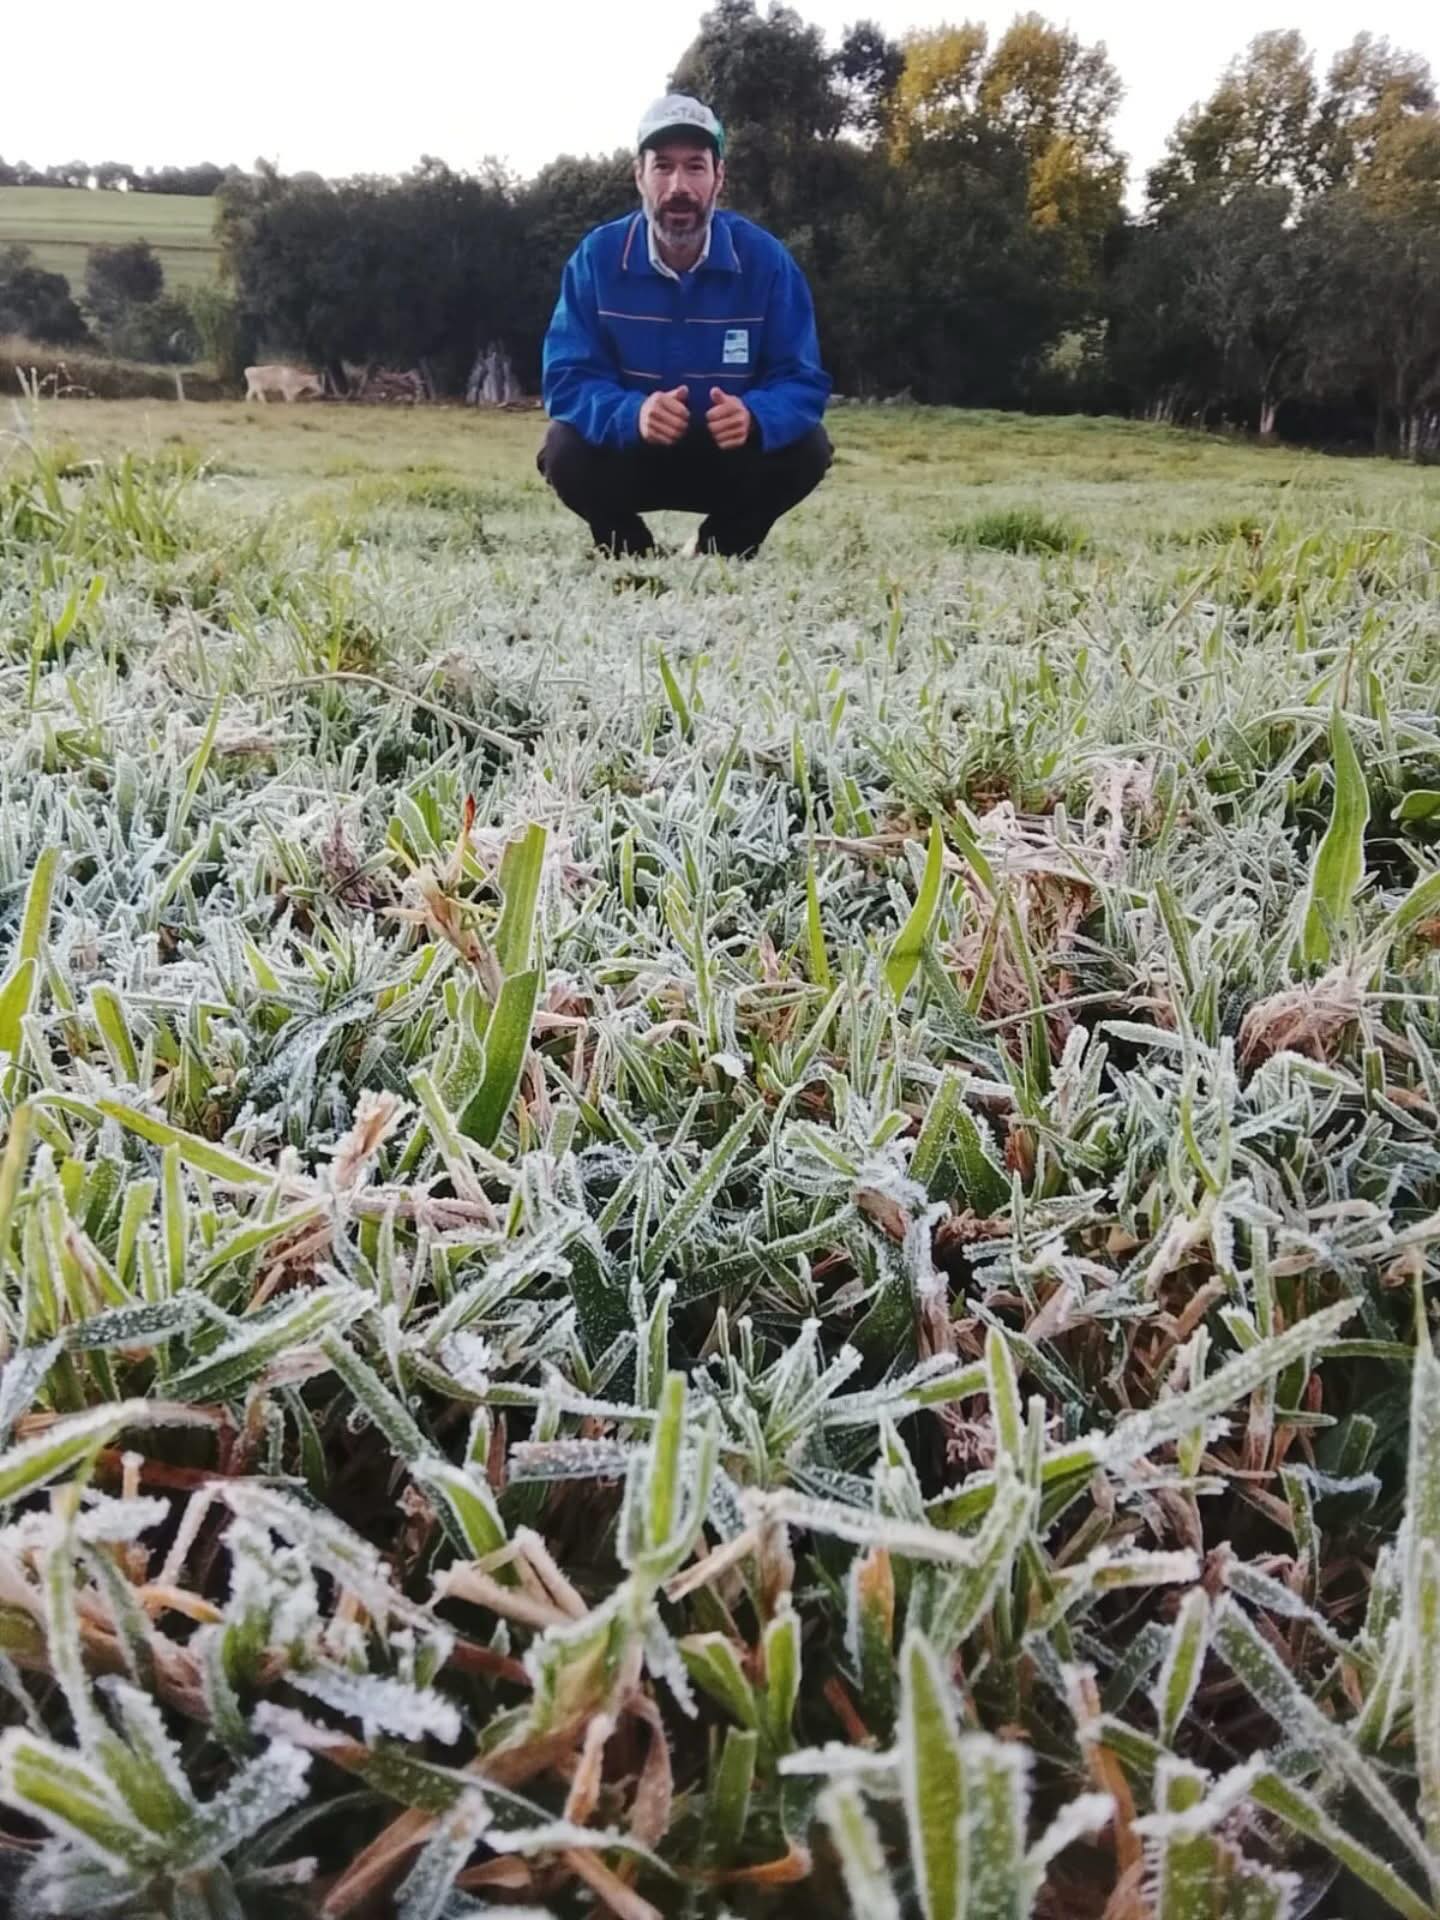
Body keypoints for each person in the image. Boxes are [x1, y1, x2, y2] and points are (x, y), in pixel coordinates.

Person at [538, 94, 833, 559]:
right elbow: (567, 379)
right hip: (632, 451)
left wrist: (755, 415)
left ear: (719, 178)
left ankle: (718, 550)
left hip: (728, 456)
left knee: (809, 448)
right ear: (639, 175)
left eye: (695, 167)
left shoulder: (767, 261)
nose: (679, 185)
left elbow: (802, 379)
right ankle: (632, 553)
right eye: (663, 167)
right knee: (562, 449)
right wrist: (632, 414)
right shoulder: (596, 258)